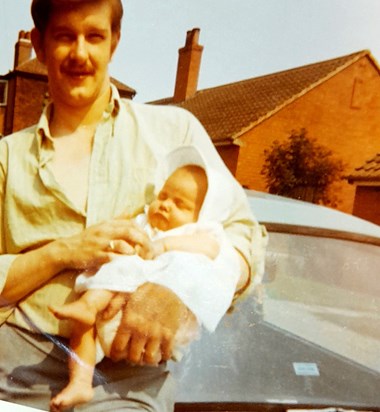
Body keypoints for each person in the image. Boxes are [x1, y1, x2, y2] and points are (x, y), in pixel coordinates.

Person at [0, 0, 265, 411]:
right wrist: (62, 252)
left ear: (115, 42)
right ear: (38, 42)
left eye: (95, 36)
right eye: (65, 36)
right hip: (15, 368)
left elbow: (246, 238)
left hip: (128, 380)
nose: (80, 53)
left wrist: (175, 292)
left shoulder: (176, 133)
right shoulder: (7, 158)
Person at [48, 146, 242, 411]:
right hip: (111, 312)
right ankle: (80, 382)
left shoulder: (202, 232)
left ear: (202, 214)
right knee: (83, 328)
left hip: (147, 320)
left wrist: (163, 246)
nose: (165, 205)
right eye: (164, 195)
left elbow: (209, 249)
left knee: (118, 277)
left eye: (180, 204)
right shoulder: (144, 223)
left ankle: (89, 307)